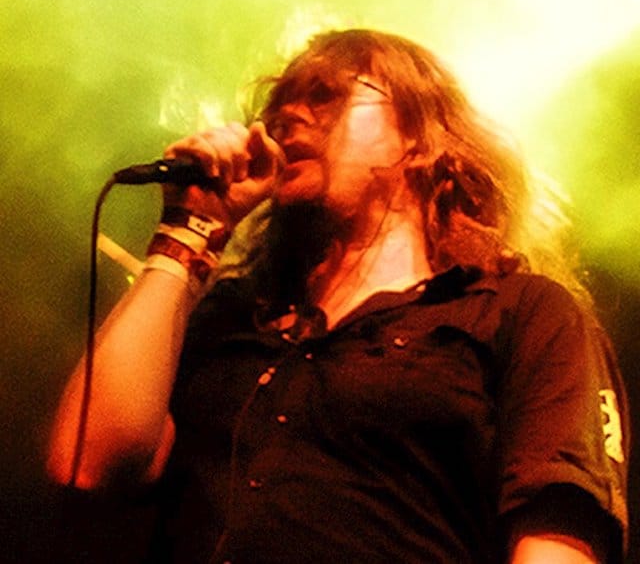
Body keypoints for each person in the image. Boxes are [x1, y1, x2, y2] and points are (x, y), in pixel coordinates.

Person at [47, 29, 629, 563]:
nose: (287, 116)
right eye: (278, 105)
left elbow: (558, 538)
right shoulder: (229, 317)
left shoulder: (519, 311)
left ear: (419, 137)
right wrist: (187, 231)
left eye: (324, 95)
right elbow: (85, 461)